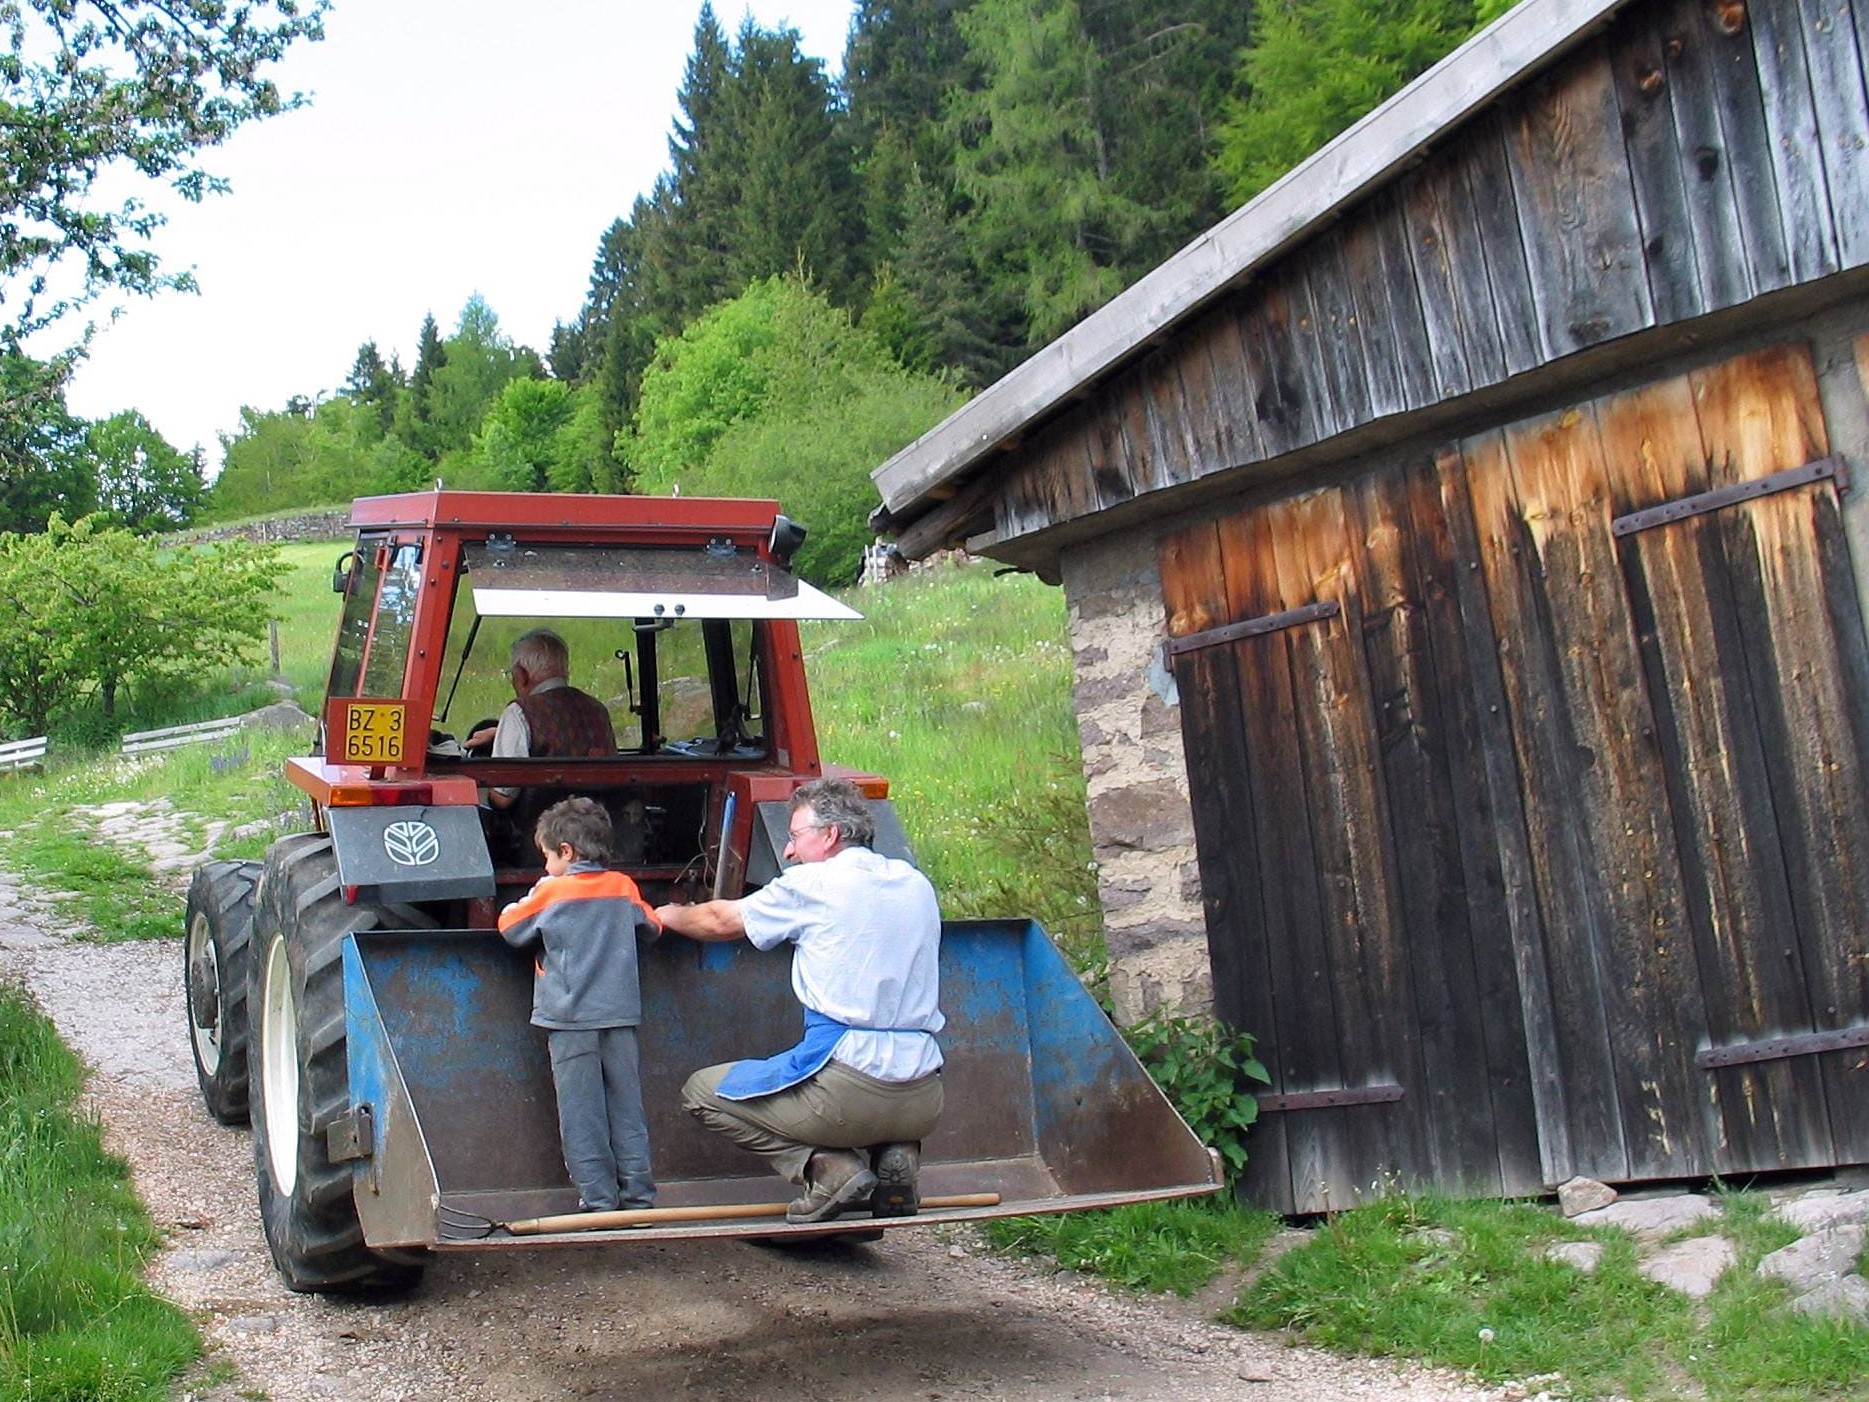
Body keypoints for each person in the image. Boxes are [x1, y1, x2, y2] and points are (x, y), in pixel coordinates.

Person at [654, 777, 943, 1224]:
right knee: (879, 1110)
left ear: (829, 836)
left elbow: (717, 919)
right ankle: (897, 1154)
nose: (788, 851)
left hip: (847, 1094)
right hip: (925, 1095)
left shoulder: (814, 883)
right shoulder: (916, 883)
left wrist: (664, 914)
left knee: (702, 1092)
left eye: (794, 837)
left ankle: (829, 1170)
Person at [498, 797, 659, 1213]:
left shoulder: (551, 891)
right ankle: (639, 1196)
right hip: (620, 1017)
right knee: (626, 1107)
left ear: (566, 852)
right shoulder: (623, 887)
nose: (546, 866)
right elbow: (652, 926)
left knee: (581, 1112)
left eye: (548, 857)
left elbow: (511, 928)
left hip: (569, 1021)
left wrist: (528, 895)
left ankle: (599, 1200)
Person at [468, 628, 616, 811]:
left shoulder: (519, 713)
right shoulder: (598, 709)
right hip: (599, 825)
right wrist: (500, 733)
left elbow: (503, 797)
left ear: (522, 675)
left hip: (541, 831)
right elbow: (565, 734)